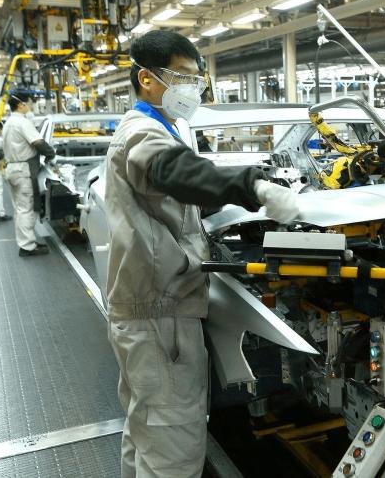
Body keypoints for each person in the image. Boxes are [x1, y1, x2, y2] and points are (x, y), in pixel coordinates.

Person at [105, 30, 299, 478]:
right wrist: (252, 186)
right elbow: (175, 171)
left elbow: (176, 196)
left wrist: (233, 201)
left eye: (196, 79)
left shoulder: (163, 129)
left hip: (151, 310)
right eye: (182, 77)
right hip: (160, 317)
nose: (192, 88)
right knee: (173, 449)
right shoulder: (142, 133)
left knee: (146, 433)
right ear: (147, 79)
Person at [2, 92, 56, 256]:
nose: (31, 106)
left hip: (12, 169)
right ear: (21, 105)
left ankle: (25, 242)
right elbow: (38, 142)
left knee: (20, 209)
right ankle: (27, 246)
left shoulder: (8, 123)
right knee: (26, 208)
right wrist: (51, 153)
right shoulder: (22, 122)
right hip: (23, 170)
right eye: (30, 103)